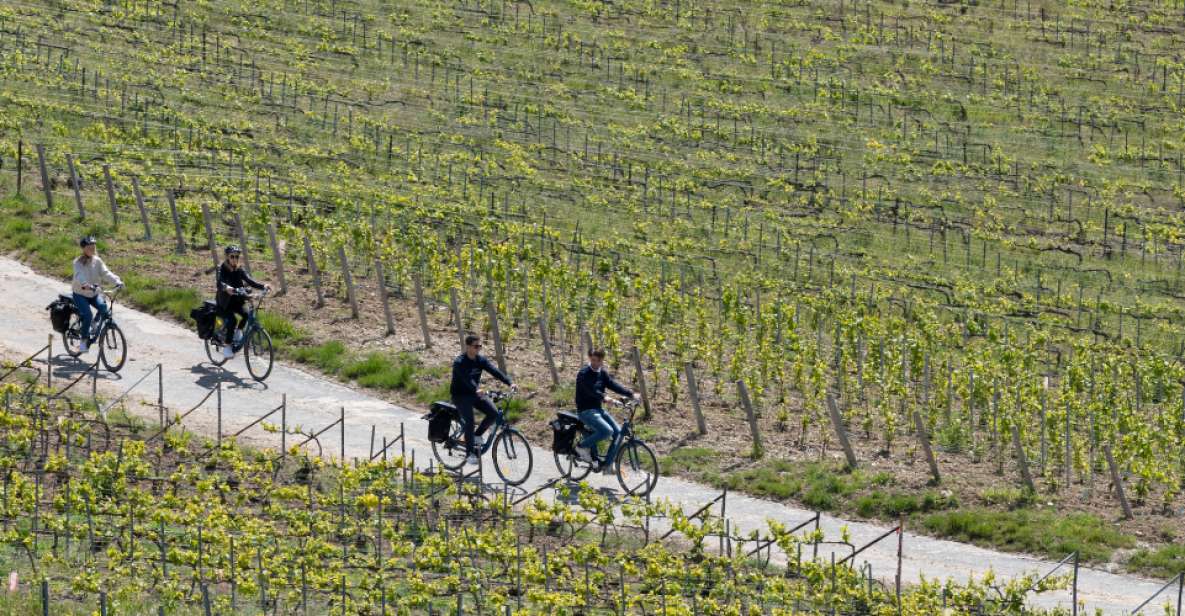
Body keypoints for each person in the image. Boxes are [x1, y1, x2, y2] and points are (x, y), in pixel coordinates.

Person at [451, 334, 515, 465]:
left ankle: (476, 435)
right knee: (470, 421)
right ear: (468, 347)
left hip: (474, 393)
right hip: (460, 396)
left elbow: (494, 371)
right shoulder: (459, 362)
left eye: (480, 346)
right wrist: (476, 389)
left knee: (494, 413)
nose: (479, 348)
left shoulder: (480, 360)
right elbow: (467, 379)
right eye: (476, 346)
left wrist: (510, 383)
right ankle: (469, 453)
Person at [574, 349, 639, 473]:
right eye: (593, 360)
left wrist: (631, 394)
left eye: (598, 361)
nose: (595, 363)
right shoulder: (583, 373)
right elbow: (591, 390)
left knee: (619, 433)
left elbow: (613, 385)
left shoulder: (602, 373)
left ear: (602, 361)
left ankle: (607, 465)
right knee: (607, 431)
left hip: (597, 409)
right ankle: (581, 447)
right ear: (589, 358)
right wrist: (605, 397)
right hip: (585, 411)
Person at [215, 245, 269, 359]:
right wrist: (226, 287)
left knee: (246, 314)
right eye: (232, 256)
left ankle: (238, 332)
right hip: (224, 303)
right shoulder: (222, 268)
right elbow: (219, 282)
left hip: (237, 300)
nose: (235, 259)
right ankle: (228, 347)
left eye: (237, 257)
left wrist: (263, 286)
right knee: (232, 320)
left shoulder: (240, 269)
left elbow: (249, 280)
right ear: (227, 257)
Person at [71, 236, 123, 353]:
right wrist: (85, 284)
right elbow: (79, 275)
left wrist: (117, 281)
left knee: (104, 307)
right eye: (89, 248)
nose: (92, 249)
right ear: (84, 249)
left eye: (93, 247)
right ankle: (83, 342)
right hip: (80, 294)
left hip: (93, 293)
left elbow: (106, 273)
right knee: (87, 315)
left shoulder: (97, 261)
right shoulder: (77, 262)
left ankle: (95, 323)